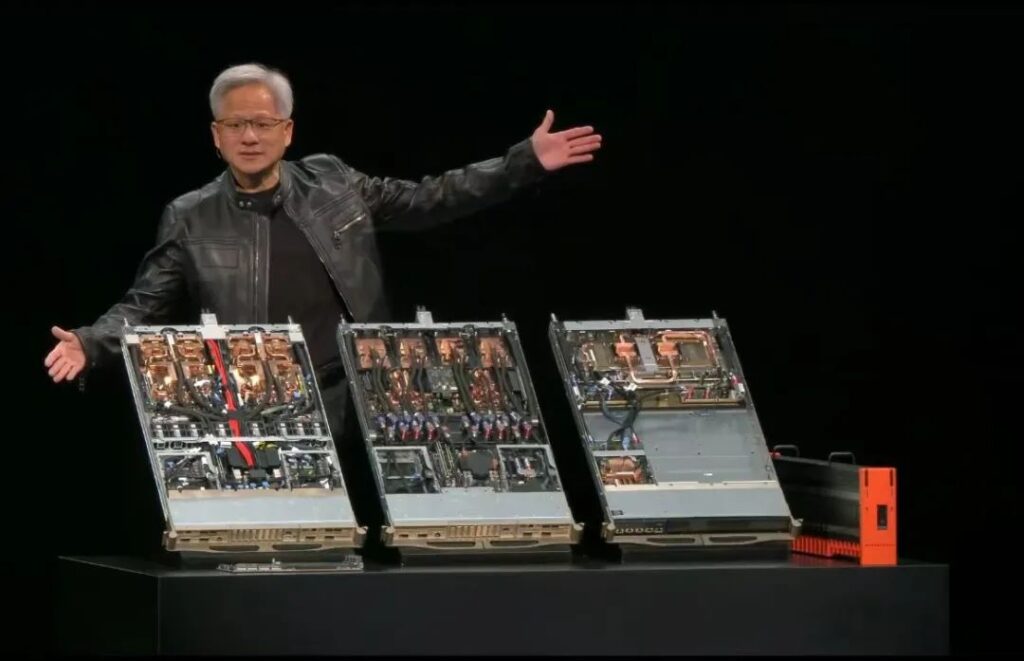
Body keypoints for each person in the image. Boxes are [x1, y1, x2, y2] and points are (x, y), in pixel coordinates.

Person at [44, 62, 602, 388]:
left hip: (358, 388)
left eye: (262, 123)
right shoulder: (190, 214)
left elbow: (431, 198)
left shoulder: (333, 181)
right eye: (235, 125)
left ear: (287, 131)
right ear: (216, 135)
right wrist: (91, 343)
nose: (249, 136)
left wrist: (522, 163)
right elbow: (144, 305)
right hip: (264, 399)